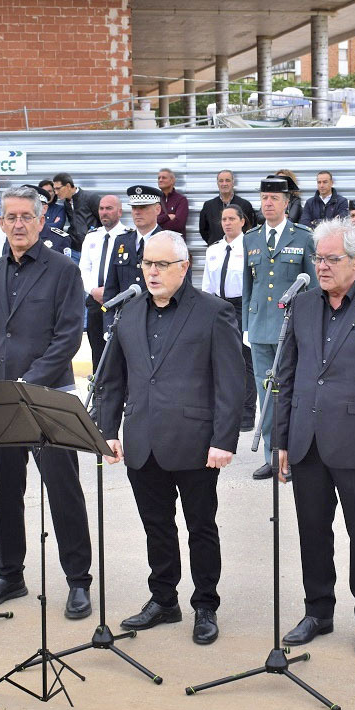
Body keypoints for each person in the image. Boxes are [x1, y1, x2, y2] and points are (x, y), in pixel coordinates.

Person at [94, 231, 244, 645]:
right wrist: (107, 430)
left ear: (184, 267)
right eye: (147, 264)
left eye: (161, 265)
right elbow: (112, 378)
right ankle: (163, 600)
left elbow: (232, 383)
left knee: (200, 527)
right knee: (156, 526)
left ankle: (205, 606)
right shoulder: (129, 310)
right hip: (142, 439)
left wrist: (224, 439)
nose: (152, 272)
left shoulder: (213, 312)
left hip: (196, 443)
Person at [274, 217, 355, 657]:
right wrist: (282, 442)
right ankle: (318, 611)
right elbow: (286, 378)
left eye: (333, 258)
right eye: (319, 258)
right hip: (307, 441)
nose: (323, 266)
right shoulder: (304, 306)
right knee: (313, 531)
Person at [0, 185, 93, 619]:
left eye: (26, 217)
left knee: (63, 491)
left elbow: (68, 337)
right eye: (10, 217)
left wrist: (26, 384)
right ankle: (11, 575)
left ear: (41, 221)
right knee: (6, 491)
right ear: (1, 222)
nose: (18, 224)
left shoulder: (62, 271)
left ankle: (78, 581)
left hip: (47, 397)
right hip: (1, 402)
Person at [243, 176, 316, 481]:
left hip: (292, 329)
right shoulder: (250, 238)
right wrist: (246, 325)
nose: (268, 203)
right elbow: (249, 284)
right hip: (260, 328)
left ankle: (295, 454)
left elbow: (312, 285)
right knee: (266, 393)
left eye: (274, 198)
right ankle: (272, 457)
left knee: (293, 393)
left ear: (287, 203)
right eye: (264, 198)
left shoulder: (303, 237)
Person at [202, 204, 256, 432]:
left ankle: (246, 413)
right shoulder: (213, 249)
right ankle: (221, 410)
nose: (227, 223)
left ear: (242, 221)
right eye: (224, 219)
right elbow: (207, 283)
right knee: (218, 359)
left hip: (243, 304)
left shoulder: (251, 246)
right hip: (218, 305)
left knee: (245, 361)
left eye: (232, 219)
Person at [102, 186, 165, 331]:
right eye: (134, 207)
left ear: (157, 209)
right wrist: (108, 325)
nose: (137, 212)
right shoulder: (122, 241)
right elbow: (111, 288)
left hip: (157, 322)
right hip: (126, 321)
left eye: (143, 207)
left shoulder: (168, 241)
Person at [79, 194, 129, 372]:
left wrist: (110, 294)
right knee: (97, 351)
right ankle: (99, 392)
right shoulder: (92, 237)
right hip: (95, 301)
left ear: (120, 211)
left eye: (109, 208)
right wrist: (94, 290)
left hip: (119, 303)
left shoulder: (129, 237)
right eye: (101, 208)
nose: (104, 212)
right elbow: (83, 269)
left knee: (119, 351)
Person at [198, 170, 257, 246]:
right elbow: (203, 230)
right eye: (221, 181)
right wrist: (213, 242)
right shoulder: (208, 206)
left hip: (240, 250)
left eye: (227, 180)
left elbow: (251, 229)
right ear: (217, 183)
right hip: (216, 250)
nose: (224, 184)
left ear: (233, 182)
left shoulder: (245, 205)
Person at [54, 173, 100, 244]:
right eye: (54, 189)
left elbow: (103, 220)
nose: (56, 192)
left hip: (92, 245)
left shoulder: (90, 198)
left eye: (58, 188)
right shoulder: (66, 203)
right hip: (75, 247)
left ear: (68, 186)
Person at [156, 168, 189, 237]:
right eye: (159, 178)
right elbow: (151, 222)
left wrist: (159, 223)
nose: (160, 180)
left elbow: (179, 225)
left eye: (164, 178)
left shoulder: (181, 200)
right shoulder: (155, 200)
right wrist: (167, 216)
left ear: (172, 181)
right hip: (158, 242)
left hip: (175, 244)